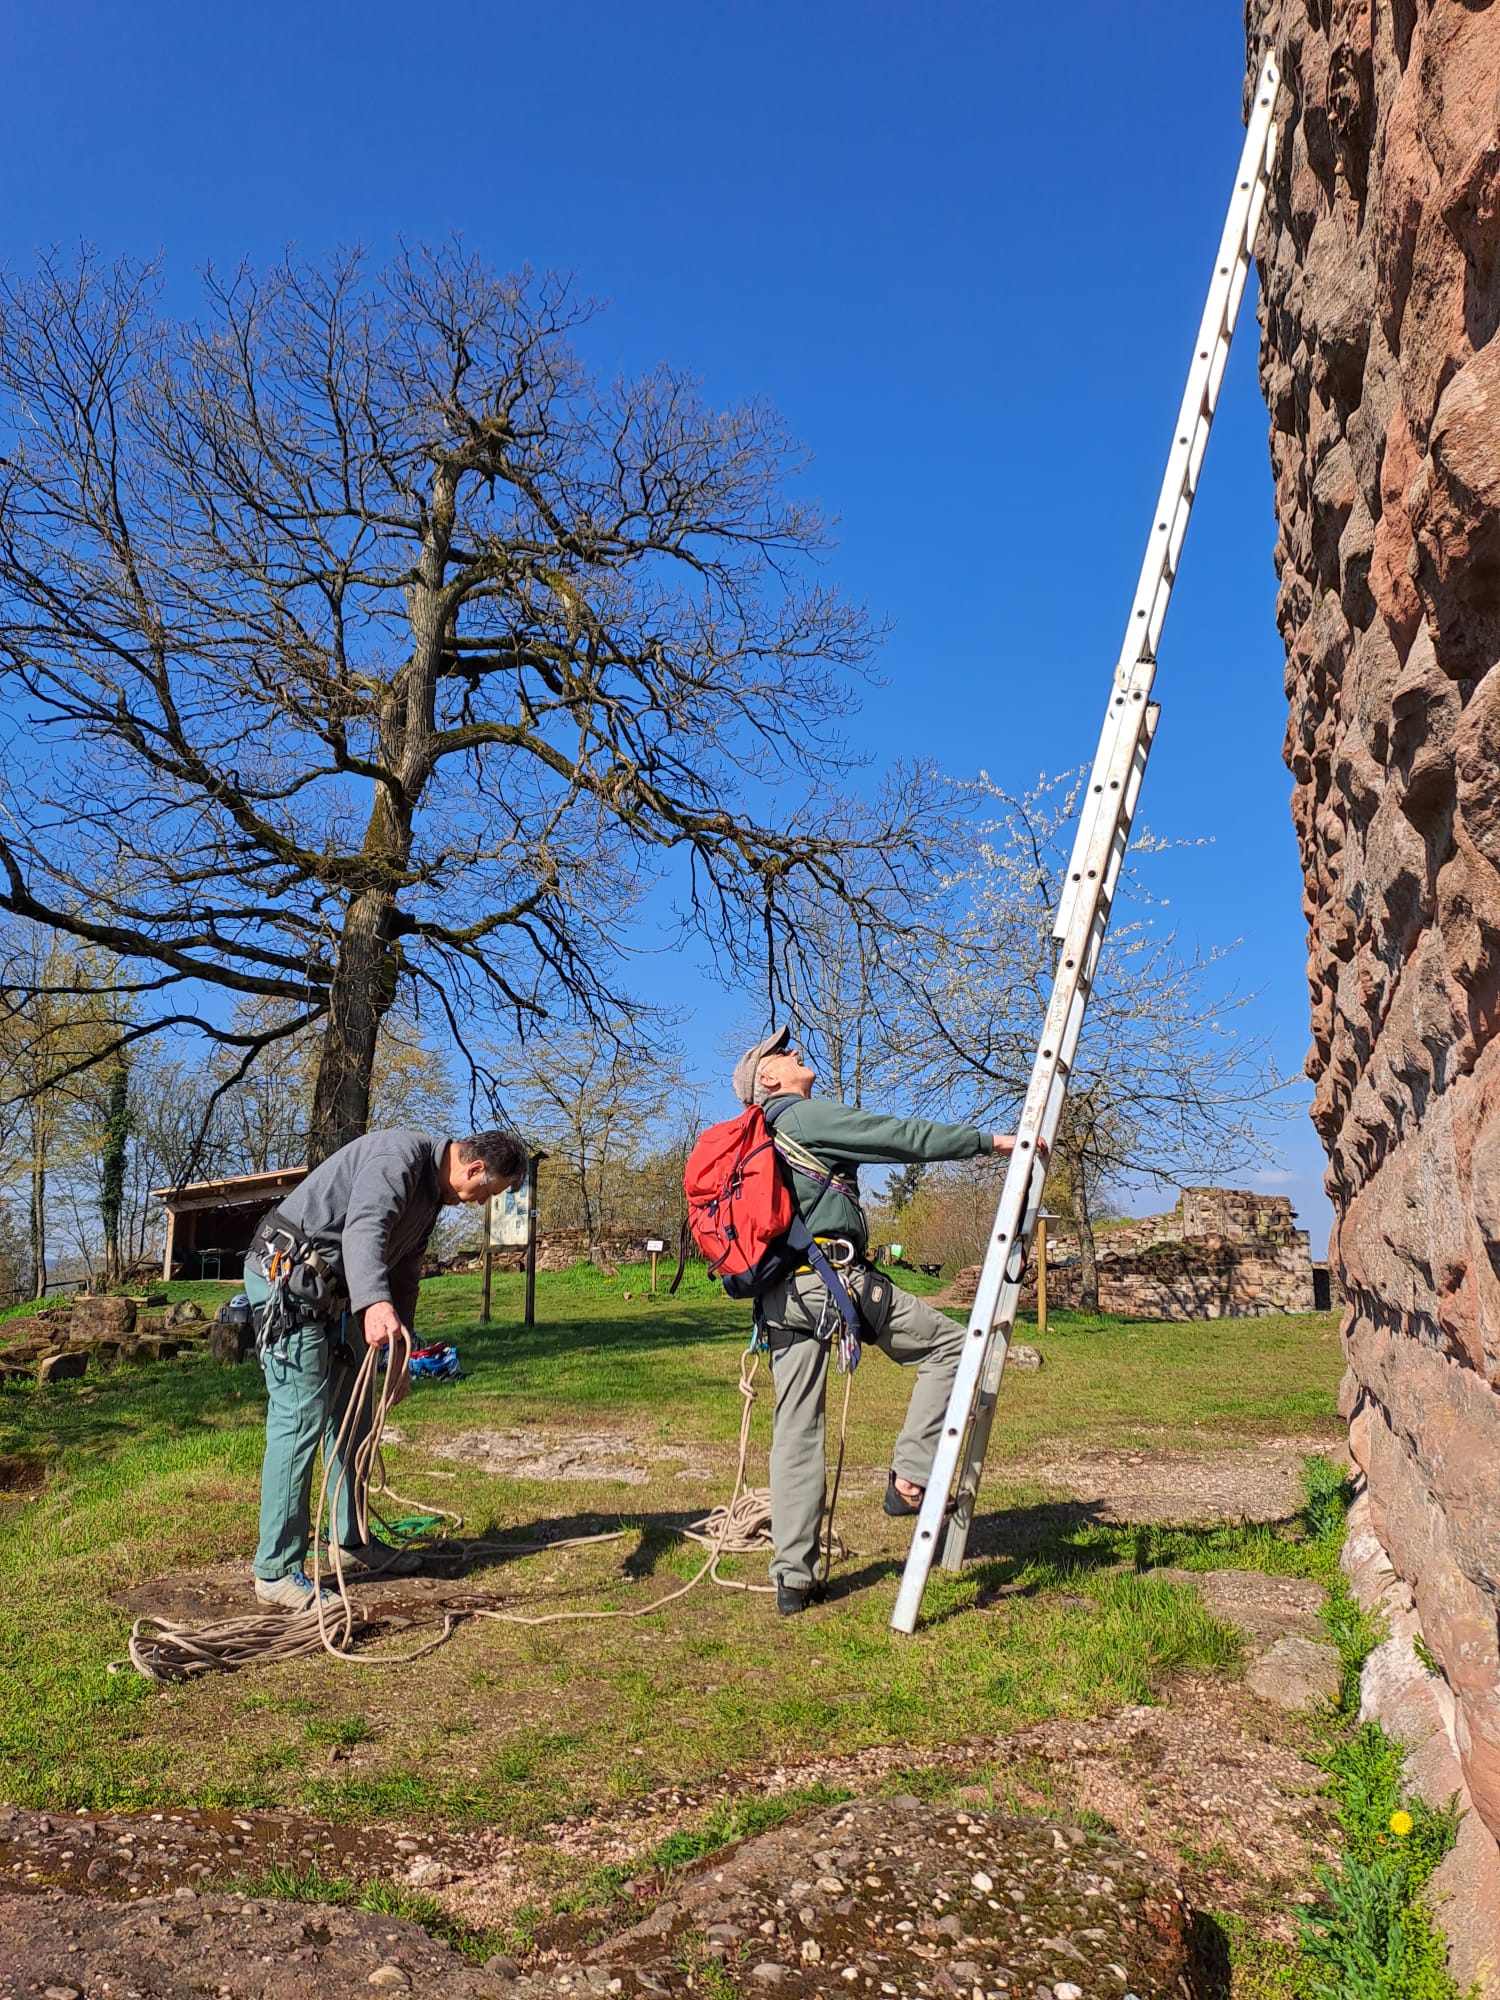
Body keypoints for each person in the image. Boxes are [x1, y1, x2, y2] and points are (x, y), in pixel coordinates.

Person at [731, 1028, 1026, 1616]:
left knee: (795, 1432)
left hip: (782, 1299)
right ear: (768, 1078)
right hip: (836, 1283)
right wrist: (989, 1142)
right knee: (951, 1347)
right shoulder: (802, 1116)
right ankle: (909, 1477)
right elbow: (895, 1136)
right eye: (784, 1053)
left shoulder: (759, 1137)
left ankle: (793, 1580)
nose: (796, 1052)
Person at [244, 1127, 527, 1610]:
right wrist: (375, 1304)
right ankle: (275, 1570)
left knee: (354, 1418)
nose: (481, 1203)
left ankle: (351, 1542)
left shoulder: (430, 1198)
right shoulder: (399, 1158)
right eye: (486, 1193)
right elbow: (366, 1229)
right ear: (475, 1168)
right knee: (300, 1419)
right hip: (288, 1285)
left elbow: (405, 1272)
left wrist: (400, 1355)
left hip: (334, 1297)